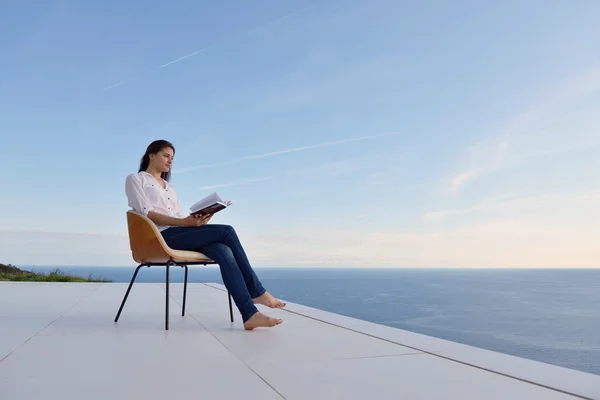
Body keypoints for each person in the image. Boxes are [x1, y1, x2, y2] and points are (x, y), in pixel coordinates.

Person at [124, 139, 285, 330]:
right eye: (166, 156)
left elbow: (176, 217)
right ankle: (257, 291)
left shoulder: (169, 187)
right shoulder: (136, 179)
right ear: (151, 155)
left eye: (172, 158)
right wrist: (185, 223)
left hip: (179, 232)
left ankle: (249, 314)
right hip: (158, 237)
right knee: (227, 231)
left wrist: (196, 221)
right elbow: (146, 213)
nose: (170, 161)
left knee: (223, 250)